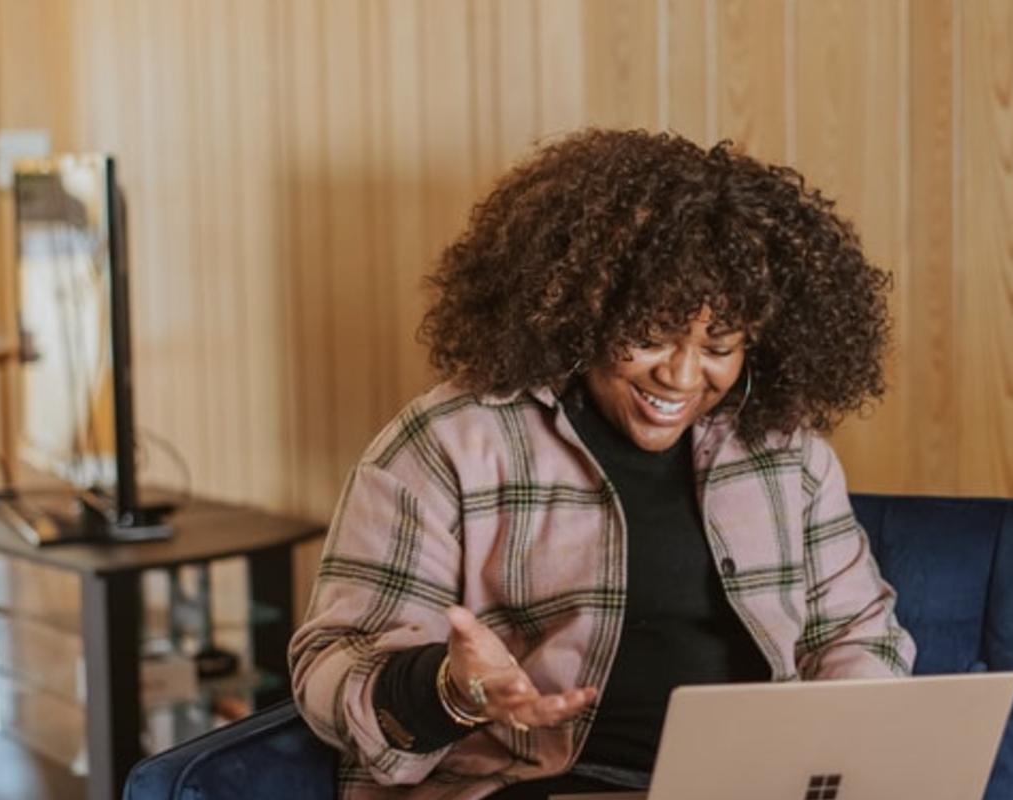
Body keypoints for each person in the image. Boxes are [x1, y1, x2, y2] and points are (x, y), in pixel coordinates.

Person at [289, 128, 916, 799]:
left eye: (719, 345)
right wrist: (450, 690)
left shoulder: (789, 457)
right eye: (649, 336)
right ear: (582, 313)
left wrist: (840, 756)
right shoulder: (448, 444)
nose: (680, 376)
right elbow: (330, 668)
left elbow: (856, 634)